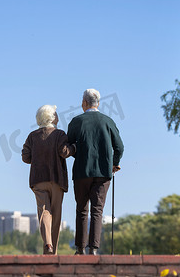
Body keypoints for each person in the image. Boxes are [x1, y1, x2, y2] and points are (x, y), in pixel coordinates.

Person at [67, 89, 124, 255]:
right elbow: (119, 147)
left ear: (84, 102)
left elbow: (68, 147)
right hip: (103, 173)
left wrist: (78, 151)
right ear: (98, 103)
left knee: (82, 209)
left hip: (82, 172)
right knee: (97, 210)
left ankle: (80, 248)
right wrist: (114, 164)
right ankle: (93, 249)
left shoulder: (76, 121)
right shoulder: (108, 121)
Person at [22, 105, 76, 255]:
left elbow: (25, 157)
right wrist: (75, 148)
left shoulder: (32, 136)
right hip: (57, 180)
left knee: (44, 211)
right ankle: (54, 253)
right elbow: (64, 152)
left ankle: (48, 245)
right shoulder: (59, 134)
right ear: (52, 117)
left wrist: (38, 156)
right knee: (56, 215)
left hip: (38, 180)